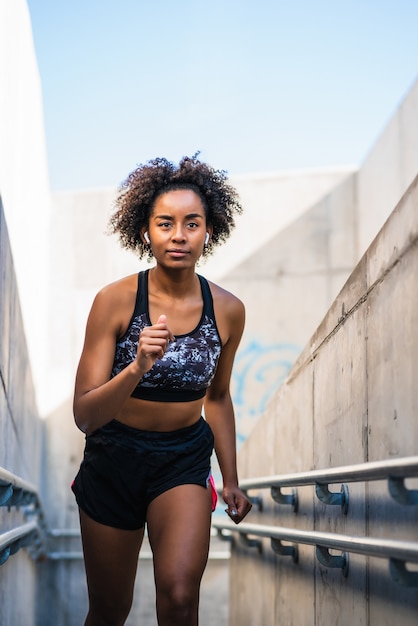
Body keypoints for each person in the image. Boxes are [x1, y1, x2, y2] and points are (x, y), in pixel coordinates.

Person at [72, 154, 252, 626]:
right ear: (146, 231)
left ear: (207, 231)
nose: (178, 235)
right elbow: (85, 416)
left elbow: (217, 398)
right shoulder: (114, 301)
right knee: (110, 609)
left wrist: (230, 478)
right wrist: (137, 367)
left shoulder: (228, 310)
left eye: (191, 223)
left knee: (177, 597)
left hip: (182, 460)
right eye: (165, 223)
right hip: (112, 458)